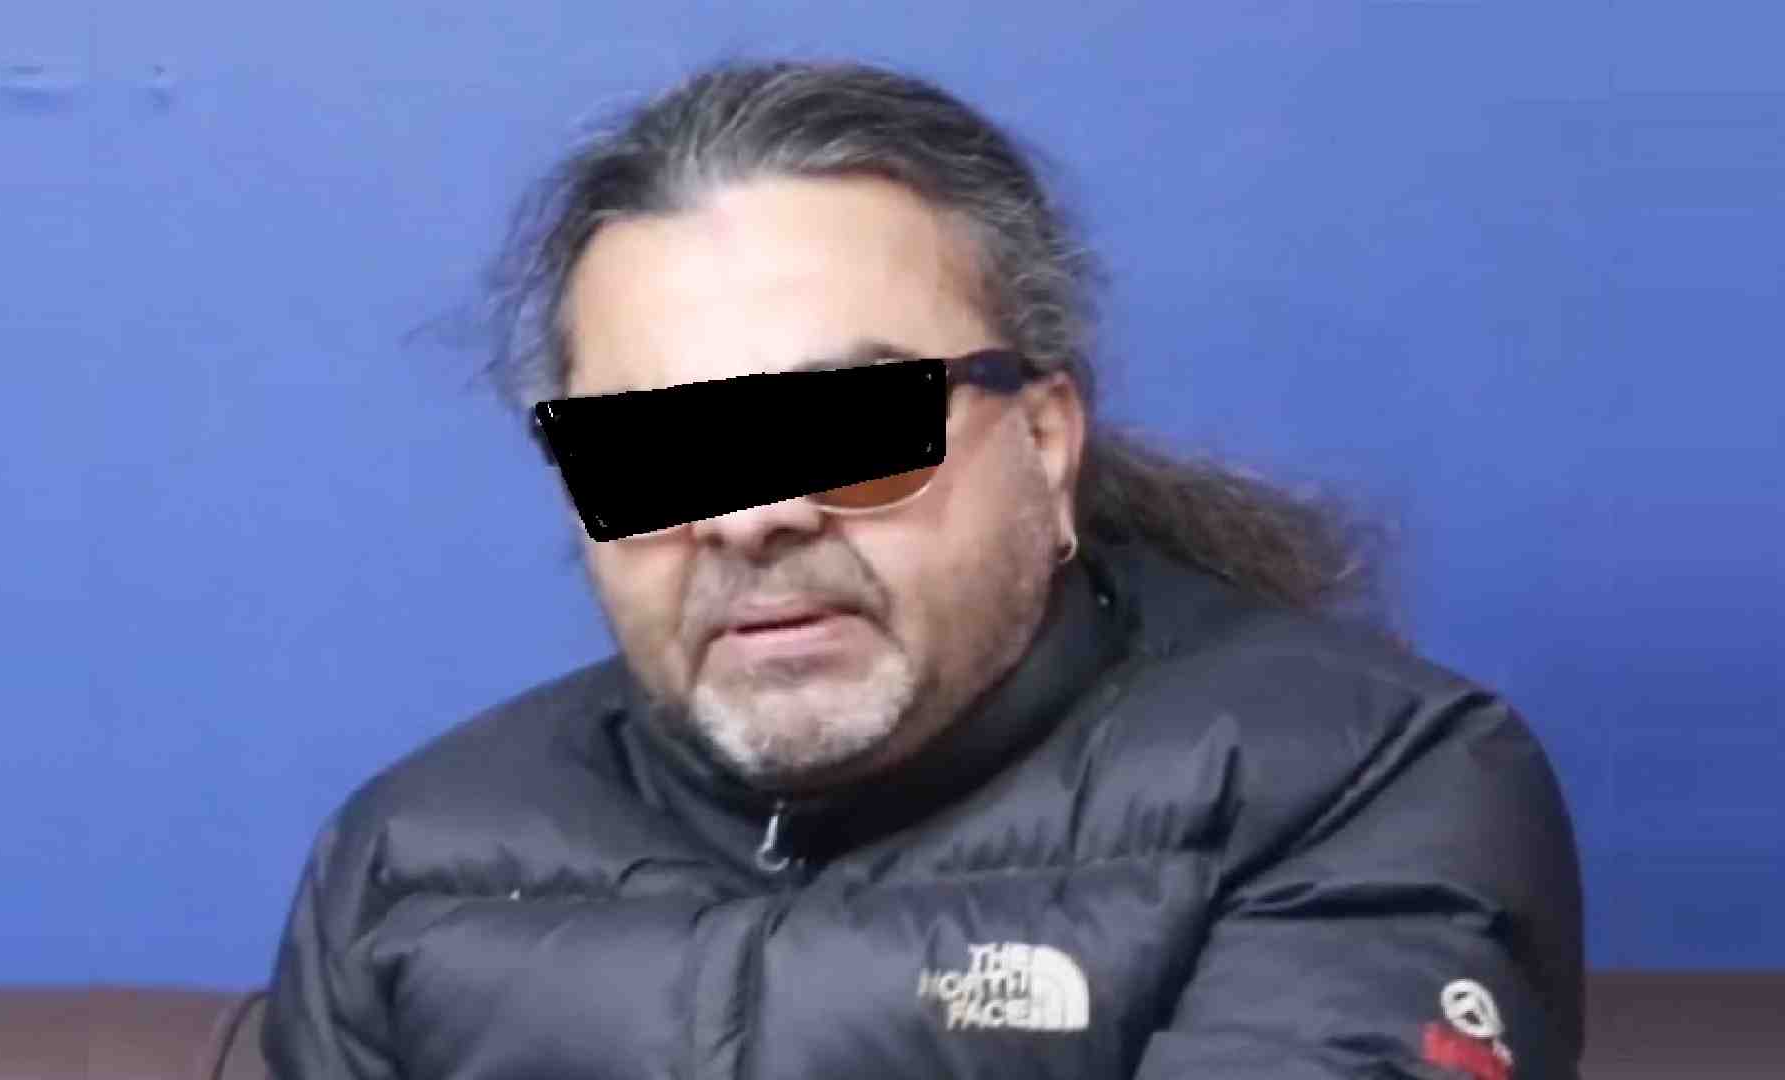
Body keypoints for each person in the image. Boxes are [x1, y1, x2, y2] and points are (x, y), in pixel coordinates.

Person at [261, 59, 1583, 1079]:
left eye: (849, 428)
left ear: (1046, 442)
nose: (752, 515)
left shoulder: (1360, 779)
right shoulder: (407, 862)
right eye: (659, 453)